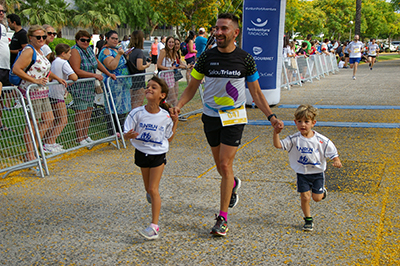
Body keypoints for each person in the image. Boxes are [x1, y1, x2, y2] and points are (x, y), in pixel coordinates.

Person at [171, 13, 284, 237]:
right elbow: (192, 86)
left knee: (224, 163)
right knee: (221, 167)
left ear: (235, 32)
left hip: (234, 117)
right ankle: (231, 184)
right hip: (211, 117)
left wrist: (271, 117)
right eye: (216, 28)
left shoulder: (245, 59)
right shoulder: (206, 57)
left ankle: (222, 218)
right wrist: (180, 105)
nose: (219, 32)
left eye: (224, 28)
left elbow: (256, 92)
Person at [123, 76, 178, 240]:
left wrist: (175, 122)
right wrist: (129, 135)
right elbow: (126, 134)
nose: (149, 89)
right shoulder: (136, 113)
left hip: (158, 154)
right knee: (148, 189)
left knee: (154, 189)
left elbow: (168, 138)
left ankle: (154, 227)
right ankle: (151, 195)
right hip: (141, 152)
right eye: (148, 86)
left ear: (162, 95)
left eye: (154, 87)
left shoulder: (165, 116)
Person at [273, 104, 342, 231]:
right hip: (302, 173)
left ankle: (321, 192)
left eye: (306, 121)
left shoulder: (321, 140)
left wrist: (336, 160)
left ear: (313, 123)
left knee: (316, 198)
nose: (303, 125)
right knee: (305, 197)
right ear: (295, 122)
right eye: (299, 122)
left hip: (317, 173)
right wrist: (276, 133)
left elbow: (332, 152)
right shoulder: (294, 139)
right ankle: (308, 220)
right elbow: (278, 145)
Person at [13, 25, 67, 164]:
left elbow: (45, 69)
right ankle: (30, 154)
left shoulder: (40, 51)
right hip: (31, 91)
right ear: (30, 37)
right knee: (33, 122)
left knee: (48, 119)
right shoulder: (29, 51)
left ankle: (35, 148)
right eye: (38, 37)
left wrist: (56, 77)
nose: (42, 39)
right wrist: (34, 80)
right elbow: (16, 69)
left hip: (42, 91)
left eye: (43, 36)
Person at [69, 30, 116, 146]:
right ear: (77, 40)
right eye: (82, 40)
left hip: (89, 86)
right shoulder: (75, 50)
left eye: (87, 40)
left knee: (89, 110)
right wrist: (94, 75)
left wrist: (108, 73)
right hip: (80, 86)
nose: (85, 42)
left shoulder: (89, 49)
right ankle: (79, 137)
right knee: (81, 111)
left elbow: (97, 63)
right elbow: (76, 70)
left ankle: (85, 135)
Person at [43, 44, 78, 153]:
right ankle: (50, 142)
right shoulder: (63, 62)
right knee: (63, 119)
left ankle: (48, 140)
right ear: (63, 53)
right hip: (57, 93)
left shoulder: (54, 62)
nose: (70, 55)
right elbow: (74, 77)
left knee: (55, 119)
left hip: (51, 92)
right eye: (69, 53)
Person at [97, 30, 132, 137]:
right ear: (107, 39)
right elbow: (112, 66)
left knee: (123, 110)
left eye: (117, 38)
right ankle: (113, 133)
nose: (115, 40)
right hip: (113, 86)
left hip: (123, 87)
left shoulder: (116, 50)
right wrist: (119, 55)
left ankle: (122, 132)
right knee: (114, 109)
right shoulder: (106, 51)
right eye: (113, 38)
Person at [127, 30, 151, 109]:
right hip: (138, 81)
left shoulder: (130, 51)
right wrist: (147, 65)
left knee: (131, 102)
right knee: (138, 103)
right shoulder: (139, 52)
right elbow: (139, 66)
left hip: (131, 80)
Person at [0, 4, 12, 131]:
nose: (2, 13)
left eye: (3, 11)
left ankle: (1, 125)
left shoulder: (3, 27)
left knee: (1, 99)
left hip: (4, 67)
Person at [157, 36, 179, 100]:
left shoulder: (173, 52)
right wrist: (169, 68)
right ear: (166, 43)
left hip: (171, 75)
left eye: (172, 42)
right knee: (172, 98)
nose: (171, 44)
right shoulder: (163, 51)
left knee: (171, 98)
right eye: (169, 42)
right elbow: (159, 65)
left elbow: (175, 64)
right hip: (165, 75)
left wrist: (186, 66)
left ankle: (169, 109)